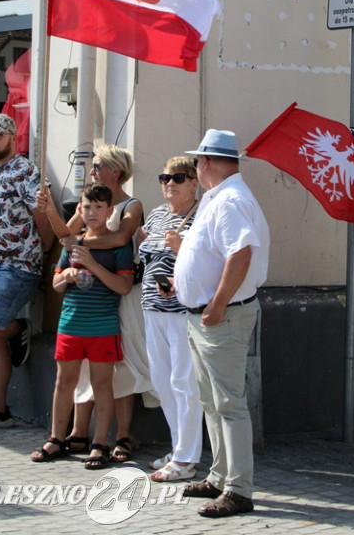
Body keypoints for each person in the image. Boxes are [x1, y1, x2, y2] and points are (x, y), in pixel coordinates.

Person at [37, 144, 156, 461]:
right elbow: (64, 234)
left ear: (115, 171)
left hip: (120, 286)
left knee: (124, 363)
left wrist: (81, 248)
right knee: (81, 371)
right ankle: (77, 432)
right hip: (88, 298)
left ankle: (120, 436)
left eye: (98, 165)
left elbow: (119, 239)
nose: (92, 169)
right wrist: (49, 210)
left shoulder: (131, 205)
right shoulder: (86, 204)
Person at [174, 129, 270, 519]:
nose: (196, 167)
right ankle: (220, 477)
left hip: (221, 316)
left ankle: (238, 489)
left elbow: (241, 254)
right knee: (213, 402)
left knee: (228, 403)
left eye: (197, 161)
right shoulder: (223, 197)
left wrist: (216, 303)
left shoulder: (229, 200)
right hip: (209, 316)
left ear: (206, 162)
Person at [31, 183, 134, 468]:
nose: (92, 213)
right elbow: (55, 284)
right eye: (87, 207)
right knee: (64, 382)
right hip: (70, 324)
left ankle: (100, 443)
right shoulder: (71, 243)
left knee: (102, 385)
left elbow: (124, 287)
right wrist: (69, 276)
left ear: (110, 211)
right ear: (80, 209)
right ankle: (56, 438)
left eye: (99, 207)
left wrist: (93, 265)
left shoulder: (118, 245)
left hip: (103, 327)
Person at [0, 114, 54, 429]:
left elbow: (43, 216)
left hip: (16, 267)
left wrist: (44, 253)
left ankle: (17, 327)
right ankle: (0, 410)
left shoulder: (26, 171)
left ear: (12, 137)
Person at [139, 156, 203, 482]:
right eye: (165, 178)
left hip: (182, 311)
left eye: (178, 178)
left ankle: (188, 458)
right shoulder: (157, 215)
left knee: (184, 384)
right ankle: (179, 448)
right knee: (163, 383)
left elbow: (209, 264)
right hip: (152, 307)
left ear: (194, 182)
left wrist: (180, 248)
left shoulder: (201, 215)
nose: (170, 184)